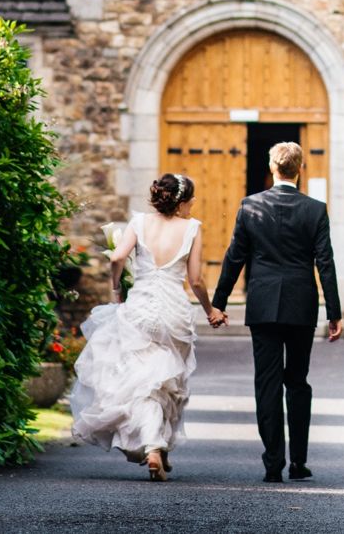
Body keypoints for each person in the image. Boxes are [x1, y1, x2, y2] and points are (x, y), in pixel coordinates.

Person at [69, 173, 227, 481]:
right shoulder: (192, 228)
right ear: (181, 202)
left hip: (140, 308)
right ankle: (158, 445)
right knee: (169, 380)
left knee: (145, 379)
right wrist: (211, 310)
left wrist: (116, 288)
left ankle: (155, 445)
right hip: (173, 312)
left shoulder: (139, 223)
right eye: (191, 199)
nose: (193, 204)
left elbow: (117, 257)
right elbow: (195, 280)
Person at [211, 141, 343, 483]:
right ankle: (298, 462)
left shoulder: (250, 205)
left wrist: (219, 302)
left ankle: (273, 464)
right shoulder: (315, 209)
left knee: (267, 383)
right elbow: (325, 262)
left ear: (272, 168)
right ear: (299, 169)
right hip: (301, 305)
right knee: (297, 382)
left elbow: (234, 256)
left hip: (263, 304)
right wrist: (334, 312)